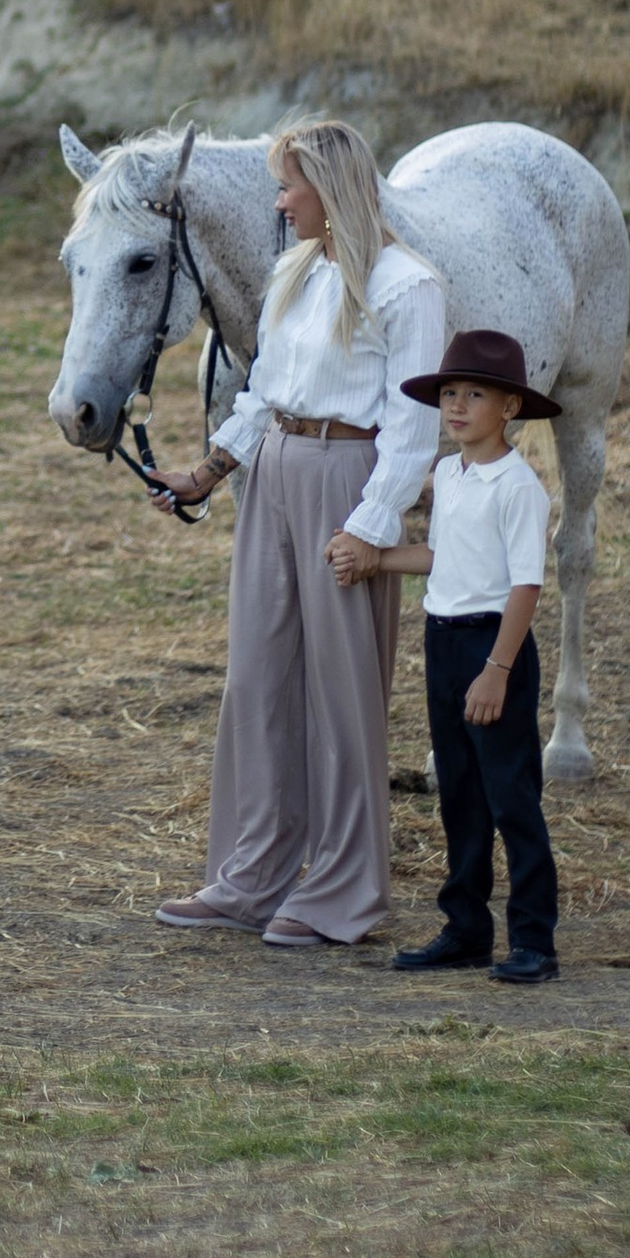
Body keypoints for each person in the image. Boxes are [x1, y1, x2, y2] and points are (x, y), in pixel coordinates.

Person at [148, 117, 445, 948]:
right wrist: (206, 474)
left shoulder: (406, 286)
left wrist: (372, 527)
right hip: (274, 472)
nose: (279, 204)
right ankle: (254, 872)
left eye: (288, 187)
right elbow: (262, 394)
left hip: (345, 482)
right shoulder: (294, 271)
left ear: (330, 189)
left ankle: (344, 888)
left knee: (342, 692)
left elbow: (414, 427)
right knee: (260, 676)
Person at [330, 327, 560, 985]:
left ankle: (534, 941)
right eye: (449, 393)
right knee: (458, 792)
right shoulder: (450, 473)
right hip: (444, 639)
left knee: (510, 795)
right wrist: (374, 559)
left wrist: (497, 669)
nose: (456, 406)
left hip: (495, 644)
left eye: (475, 395)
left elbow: (525, 584)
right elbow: (444, 558)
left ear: (510, 407)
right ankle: (465, 929)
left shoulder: (517, 487)